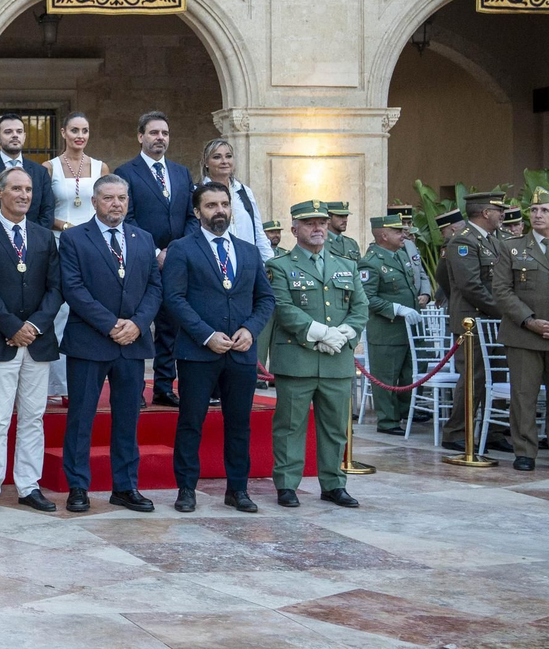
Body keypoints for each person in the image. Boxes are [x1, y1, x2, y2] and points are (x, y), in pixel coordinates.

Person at [160, 182, 275, 514]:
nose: (219, 210)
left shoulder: (248, 250)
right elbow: (174, 299)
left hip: (241, 353)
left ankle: (237, 489)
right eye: (211, 205)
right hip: (198, 353)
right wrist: (205, 334)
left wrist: (251, 330)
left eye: (224, 204)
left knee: (239, 423)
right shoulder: (181, 249)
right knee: (191, 421)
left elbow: (265, 299)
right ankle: (186, 488)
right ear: (197, 213)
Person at [57, 174, 161, 513]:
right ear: (95, 202)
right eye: (109, 198)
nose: (116, 204)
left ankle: (125, 486)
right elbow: (72, 288)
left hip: (133, 342)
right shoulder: (74, 239)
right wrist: (110, 323)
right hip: (89, 342)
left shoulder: (143, 238)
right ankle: (78, 486)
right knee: (81, 417)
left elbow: (155, 287)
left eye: (122, 198)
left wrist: (138, 323)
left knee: (128, 418)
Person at [0, 165, 62, 513]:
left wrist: (33, 327)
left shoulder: (43, 236)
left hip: (38, 343)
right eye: (17, 189)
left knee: (33, 417)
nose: (24, 195)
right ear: (0, 192)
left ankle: (28, 485)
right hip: (0, 342)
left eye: (29, 190)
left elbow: (56, 288)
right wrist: (12, 327)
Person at [264, 200, 368, 509]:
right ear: (295, 229)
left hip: (337, 359)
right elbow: (283, 308)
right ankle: (286, 485)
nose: (318, 227)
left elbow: (360, 307)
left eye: (322, 222)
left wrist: (344, 334)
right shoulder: (279, 266)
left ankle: (334, 484)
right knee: (290, 426)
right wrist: (320, 334)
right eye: (310, 223)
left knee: (336, 427)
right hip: (297, 359)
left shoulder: (346, 265)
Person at [114, 111, 193, 408]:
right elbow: (127, 217)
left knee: (171, 326)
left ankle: (163, 386)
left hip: (177, 261)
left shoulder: (182, 173)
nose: (160, 138)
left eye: (165, 133)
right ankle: (134, 391)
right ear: (140, 136)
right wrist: (156, 252)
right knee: (139, 323)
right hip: (141, 260)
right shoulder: (126, 172)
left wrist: (177, 251)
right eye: (154, 133)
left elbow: (191, 216)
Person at [45, 111, 108, 399]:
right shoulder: (49, 168)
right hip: (60, 243)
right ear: (63, 133)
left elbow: (108, 206)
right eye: (74, 130)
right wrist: (67, 227)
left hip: (94, 246)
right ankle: (58, 385)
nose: (79, 135)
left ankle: (83, 383)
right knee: (60, 312)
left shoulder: (100, 167)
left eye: (84, 130)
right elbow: (43, 213)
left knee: (90, 308)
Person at [442, 191, 507, 453]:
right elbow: (471, 286)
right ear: (485, 213)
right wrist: (505, 310)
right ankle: (457, 431)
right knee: (474, 377)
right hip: (473, 321)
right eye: (499, 210)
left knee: (498, 374)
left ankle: (494, 431)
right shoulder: (463, 242)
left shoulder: (493, 240)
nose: (503, 215)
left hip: (493, 320)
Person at [492, 187, 549, 471]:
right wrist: (529, 321)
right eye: (535, 210)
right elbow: (501, 291)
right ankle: (525, 452)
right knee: (523, 396)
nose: (538, 215)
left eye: (545, 210)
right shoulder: (512, 246)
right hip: (524, 334)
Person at [359, 214, 426, 437]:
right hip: (386, 330)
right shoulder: (371, 261)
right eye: (398, 231)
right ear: (384, 235)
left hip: (408, 329)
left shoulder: (400, 256)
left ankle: (405, 411)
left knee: (410, 373)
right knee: (386, 376)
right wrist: (397, 309)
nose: (403, 235)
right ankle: (387, 420)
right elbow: (367, 297)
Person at [0, 113, 54, 231]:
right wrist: (5, 237)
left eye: (19, 131)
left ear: (24, 136)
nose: (15, 135)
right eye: (8, 132)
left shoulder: (40, 172)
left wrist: (32, 236)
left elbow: (48, 211)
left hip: (34, 242)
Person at [194, 138, 270, 262]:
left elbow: (258, 233)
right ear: (206, 162)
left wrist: (269, 264)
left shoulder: (244, 191)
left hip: (247, 261)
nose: (224, 161)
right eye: (217, 157)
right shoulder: (196, 191)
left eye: (228, 156)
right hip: (213, 261)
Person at [387, 203, 433, 306]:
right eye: (403, 222)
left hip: (415, 304)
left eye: (409, 223)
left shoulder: (410, 245)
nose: (407, 227)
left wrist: (425, 294)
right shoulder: (382, 246)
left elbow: (421, 273)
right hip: (393, 306)